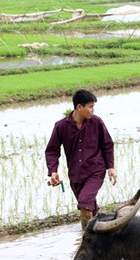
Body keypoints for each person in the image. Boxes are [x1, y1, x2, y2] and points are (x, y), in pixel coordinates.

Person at [45, 89, 118, 230]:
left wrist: (111, 167)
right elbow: (52, 150)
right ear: (79, 107)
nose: (93, 110)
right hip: (76, 176)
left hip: (95, 172)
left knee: (84, 203)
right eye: (90, 107)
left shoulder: (96, 122)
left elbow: (107, 144)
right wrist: (53, 171)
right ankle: (103, 235)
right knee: (91, 209)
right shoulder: (61, 126)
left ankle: (86, 241)